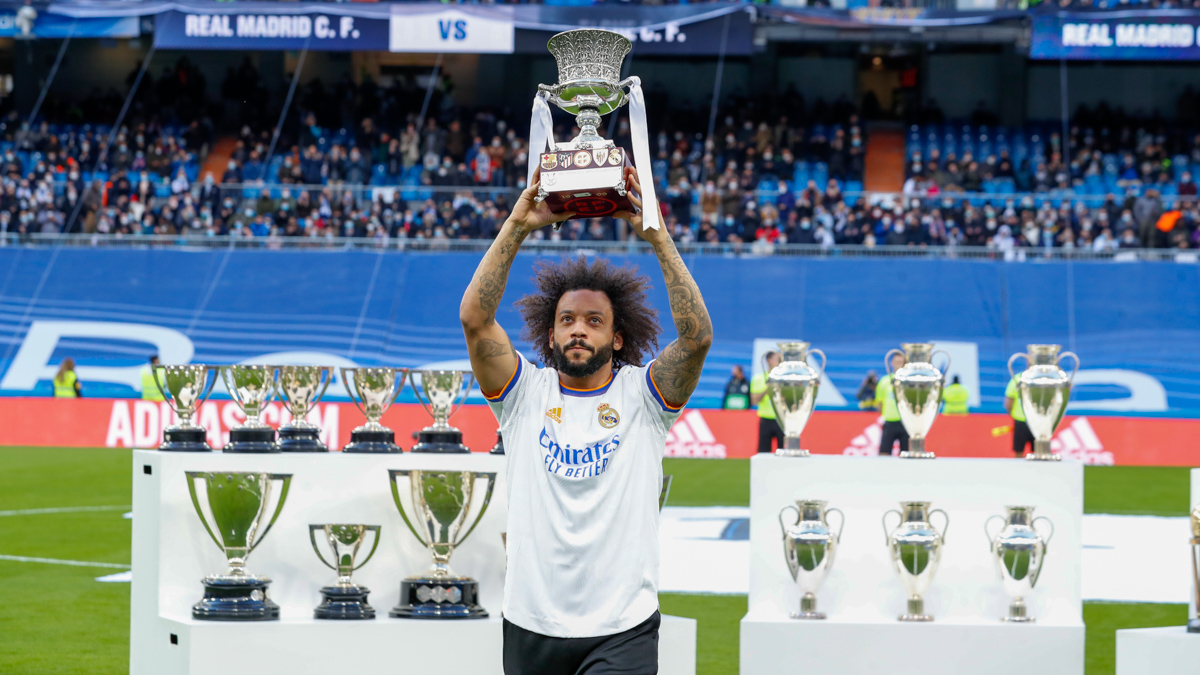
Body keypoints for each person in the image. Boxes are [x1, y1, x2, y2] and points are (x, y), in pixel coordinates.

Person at [460, 166, 712, 675]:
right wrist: (517, 226)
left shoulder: (643, 396)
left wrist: (658, 237)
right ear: (550, 334)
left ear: (617, 338)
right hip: (531, 623)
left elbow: (696, 339)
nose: (579, 330)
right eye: (567, 320)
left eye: (594, 321)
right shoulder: (523, 395)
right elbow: (475, 320)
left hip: (623, 627)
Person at [749, 351, 784, 454]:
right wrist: (767, 389)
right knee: (763, 453)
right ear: (768, 360)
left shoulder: (785, 378)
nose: (779, 362)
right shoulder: (758, 378)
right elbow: (754, 401)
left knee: (784, 452)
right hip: (766, 419)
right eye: (777, 359)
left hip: (782, 419)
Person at [873, 352, 907, 456]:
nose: (899, 364)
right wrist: (886, 414)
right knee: (884, 453)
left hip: (906, 422)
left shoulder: (909, 381)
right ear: (892, 363)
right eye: (897, 362)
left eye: (901, 362)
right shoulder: (885, 381)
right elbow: (879, 402)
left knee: (906, 454)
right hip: (889, 422)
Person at [1005, 373, 1033, 458]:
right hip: (1033, 421)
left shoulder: (1017, 378)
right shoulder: (1017, 379)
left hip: (1021, 421)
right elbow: (1009, 400)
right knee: (1039, 451)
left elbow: (1009, 401)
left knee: (1019, 452)